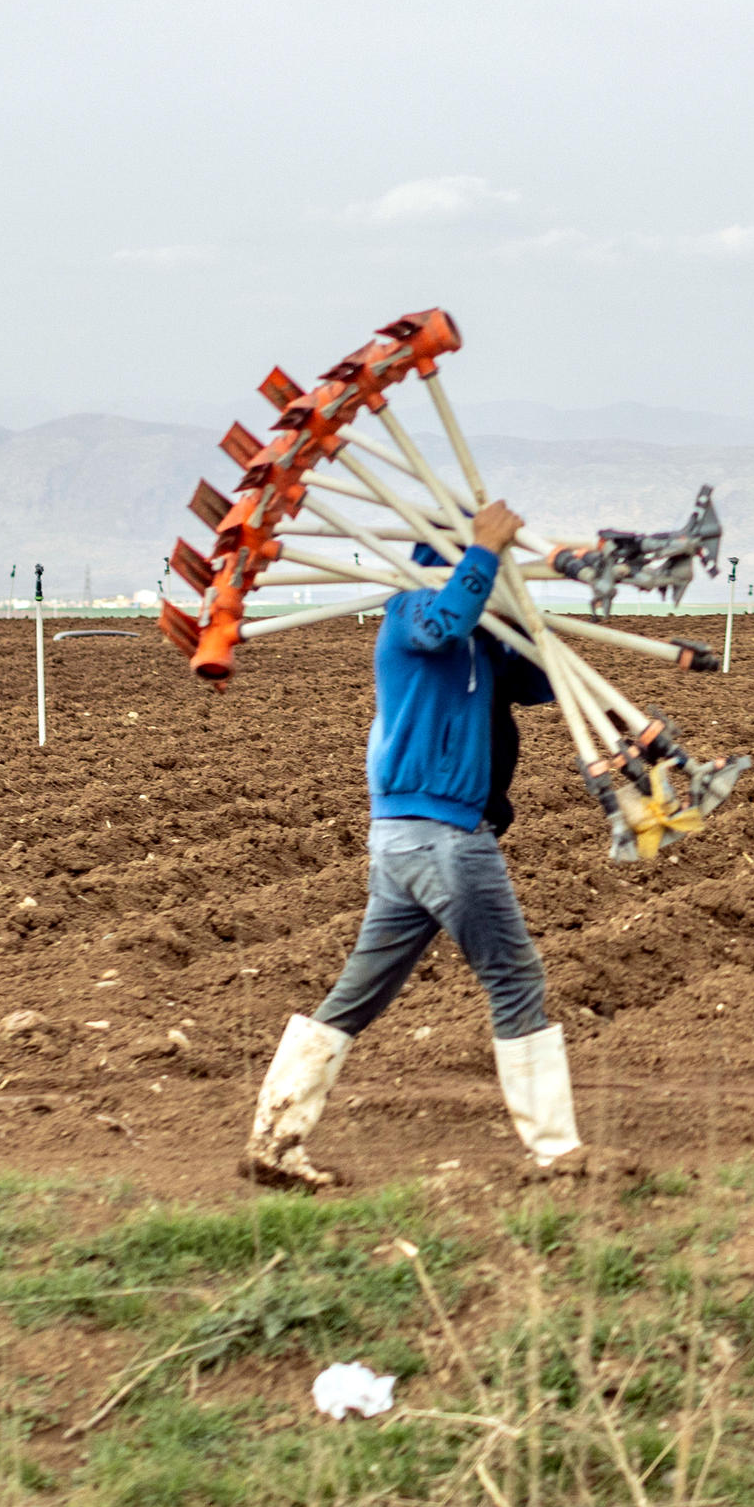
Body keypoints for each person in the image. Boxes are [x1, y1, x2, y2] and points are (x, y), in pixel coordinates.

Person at [242, 499, 591, 1190]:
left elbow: (542, 679)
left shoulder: (478, 637)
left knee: (358, 993)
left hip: (403, 844)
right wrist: (487, 553)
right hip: (443, 839)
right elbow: (442, 622)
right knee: (516, 979)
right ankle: (557, 1152)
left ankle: (274, 1140)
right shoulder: (411, 614)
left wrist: (533, 606)